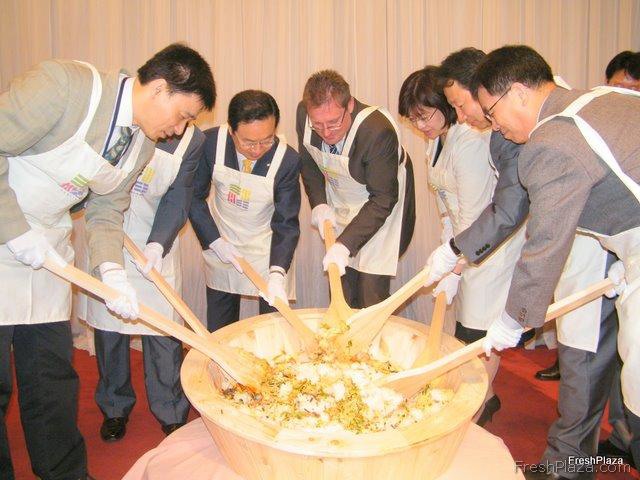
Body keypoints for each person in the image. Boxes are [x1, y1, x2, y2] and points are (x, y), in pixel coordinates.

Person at [0, 43, 214, 480]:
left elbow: (105, 209)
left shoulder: (142, 145)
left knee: (52, 378)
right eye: (182, 116)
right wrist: (16, 231)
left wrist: (111, 271)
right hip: (7, 233)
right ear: (159, 88)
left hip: (49, 250)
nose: (179, 130)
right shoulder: (64, 86)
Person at [466, 45, 640, 479]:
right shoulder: (600, 98)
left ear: (519, 93)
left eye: (492, 113)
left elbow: (545, 243)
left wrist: (513, 319)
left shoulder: (552, 141)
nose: (496, 127)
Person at [399, 64, 524, 426]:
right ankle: (488, 397)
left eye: (424, 115)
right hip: (464, 246)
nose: (420, 125)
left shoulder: (468, 142)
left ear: (444, 105)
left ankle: (476, 407)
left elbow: (472, 213)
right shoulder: (435, 142)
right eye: (412, 119)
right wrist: (445, 253)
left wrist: (456, 265)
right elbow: (447, 210)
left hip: (489, 250)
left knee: (478, 333)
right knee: (466, 328)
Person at [85, 125, 206, 442]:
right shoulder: (121, 123)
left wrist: (157, 244)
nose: (179, 123)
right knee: (110, 330)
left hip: (157, 245)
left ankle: (171, 411)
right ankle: (114, 407)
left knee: (163, 331)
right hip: (110, 239)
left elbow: (178, 198)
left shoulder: (193, 141)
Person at [296, 70, 415, 308]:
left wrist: (345, 245)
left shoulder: (377, 131)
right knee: (341, 285)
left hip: (382, 203)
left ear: (349, 105)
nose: (326, 133)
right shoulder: (305, 114)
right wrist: (319, 203)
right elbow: (309, 161)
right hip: (343, 198)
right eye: (318, 125)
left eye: (333, 123)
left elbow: (383, 198)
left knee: (370, 291)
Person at [190, 90, 300, 331]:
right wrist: (214, 241)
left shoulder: (287, 160)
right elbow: (194, 197)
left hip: (266, 250)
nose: (257, 150)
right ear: (232, 130)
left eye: (267, 140)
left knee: (272, 327)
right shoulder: (210, 144)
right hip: (222, 243)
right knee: (221, 329)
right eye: (248, 142)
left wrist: (277, 272)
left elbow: (286, 222)